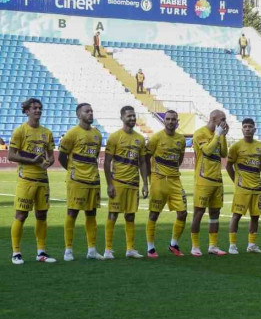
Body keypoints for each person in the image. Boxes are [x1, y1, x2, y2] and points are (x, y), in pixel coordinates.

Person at [8, 98, 56, 264]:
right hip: (26, 179)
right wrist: (32, 161)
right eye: (34, 108)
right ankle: (16, 253)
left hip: (42, 180)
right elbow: (11, 155)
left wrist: (47, 162)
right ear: (27, 111)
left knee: (42, 214)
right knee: (21, 215)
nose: (38, 110)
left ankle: (41, 252)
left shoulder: (47, 133)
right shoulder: (20, 131)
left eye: (40, 108)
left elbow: (50, 157)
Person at [103, 106, 149, 260]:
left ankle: (130, 249)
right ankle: (108, 250)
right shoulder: (115, 137)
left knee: (130, 216)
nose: (132, 118)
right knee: (113, 215)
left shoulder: (140, 139)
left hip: (133, 183)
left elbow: (143, 162)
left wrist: (145, 183)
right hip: (118, 183)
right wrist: (109, 184)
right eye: (129, 116)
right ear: (122, 117)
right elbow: (107, 162)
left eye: (134, 116)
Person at [59, 103, 103, 261]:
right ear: (79, 115)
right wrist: (73, 171)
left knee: (92, 213)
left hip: (93, 180)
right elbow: (62, 157)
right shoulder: (71, 133)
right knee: (72, 212)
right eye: (87, 111)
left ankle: (92, 250)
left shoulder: (97, 135)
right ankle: (68, 251)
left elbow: (95, 156)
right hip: (76, 180)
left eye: (91, 111)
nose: (90, 113)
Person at [145, 110, 188, 258]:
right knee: (154, 214)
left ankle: (173, 244)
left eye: (173, 119)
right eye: (168, 119)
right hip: (159, 180)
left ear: (177, 121)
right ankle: (150, 248)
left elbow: (180, 158)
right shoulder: (156, 138)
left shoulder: (181, 140)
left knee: (183, 213)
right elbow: (146, 158)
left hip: (175, 180)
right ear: (164, 121)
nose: (170, 122)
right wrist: (149, 179)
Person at [191, 110, 229, 256]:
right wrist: (218, 134)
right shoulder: (200, 133)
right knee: (198, 212)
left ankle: (213, 246)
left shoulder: (219, 133)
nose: (224, 121)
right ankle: (195, 246)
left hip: (217, 180)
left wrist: (223, 136)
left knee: (215, 213)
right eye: (222, 119)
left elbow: (224, 153)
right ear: (213, 118)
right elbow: (207, 150)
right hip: (203, 180)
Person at [226, 119, 261, 254]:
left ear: (255, 129)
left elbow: (260, 164)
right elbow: (228, 165)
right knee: (236, 215)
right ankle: (232, 245)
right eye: (245, 127)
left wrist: (253, 175)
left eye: (250, 127)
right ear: (242, 129)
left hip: (257, 187)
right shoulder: (236, 147)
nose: (248, 129)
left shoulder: (260, 146)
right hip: (242, 188)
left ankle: (252, 245)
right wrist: (235, 180)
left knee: (255, 216)